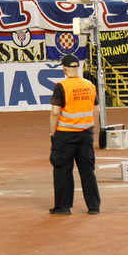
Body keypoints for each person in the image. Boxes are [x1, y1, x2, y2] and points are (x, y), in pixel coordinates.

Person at [47, 54, 101, 215]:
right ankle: (93, 206)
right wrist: (92, 129)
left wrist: (52, 132)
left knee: (63, 169)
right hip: (86, 134)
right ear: (77, 67)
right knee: (87, 171)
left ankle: (63, 206)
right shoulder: (89, 85)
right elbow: (96, 110)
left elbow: (55, 112)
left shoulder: (61, 86)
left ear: (64, 68)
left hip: (65, 135)